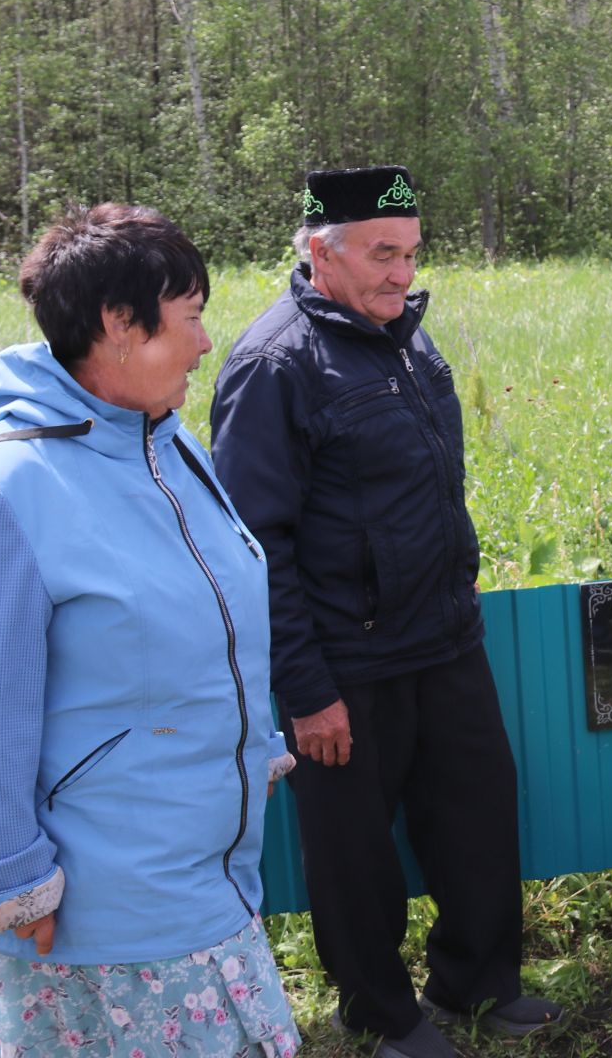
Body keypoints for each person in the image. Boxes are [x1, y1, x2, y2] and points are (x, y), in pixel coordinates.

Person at [0, 204, 301, 1058]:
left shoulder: (171, 448)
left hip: (210, 864)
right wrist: (14, 886)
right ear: (118, 325)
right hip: (106, 905)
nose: (207, 344)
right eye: (191, 317)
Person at [210, 166, 557, 1058]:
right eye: (381, 255)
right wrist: (305, 686)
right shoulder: (274, 364)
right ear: (320, 253)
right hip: (345, 663)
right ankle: (381, 1014)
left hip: (443, 636)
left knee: (478, 813)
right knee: (354, 854)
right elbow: (256, 544)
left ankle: (477, 981)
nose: (401, 274)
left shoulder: (407, 338)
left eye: (409, 254)